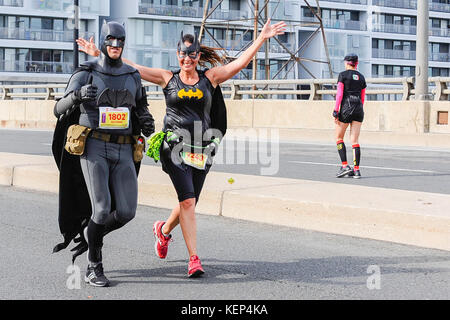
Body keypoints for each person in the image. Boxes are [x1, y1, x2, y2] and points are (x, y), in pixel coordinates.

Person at [77, 19, 286, 278]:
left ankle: (163, 231)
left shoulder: (210, 78)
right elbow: (131, 68)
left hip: (202, 149)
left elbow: (240, 63)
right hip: (174, 148)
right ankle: (194, 259)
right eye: (183, 54)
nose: (187, 59)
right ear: (177, 55)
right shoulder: (167, 78)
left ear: (198, 56)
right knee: (187, 200)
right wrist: (100, 54)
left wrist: (262, 38)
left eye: (192, 54)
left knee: (189, 202)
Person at [52, 21, 155, 287]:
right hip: (94, 146)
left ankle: (90, 234)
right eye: (110, 41)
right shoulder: (85, 72)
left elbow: (141, 106)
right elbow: (58, 108)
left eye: (120, 41)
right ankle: (93, 265)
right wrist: (77, 95)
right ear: (103, 41)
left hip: (123, 147)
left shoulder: (132, 75)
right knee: (101, 209)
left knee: (127, 211)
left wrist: (146, 120)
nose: (115, 46)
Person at [333, 53, 366, 179]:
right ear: (356, 63)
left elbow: (340, 94)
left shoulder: (343, 75)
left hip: (346, 108)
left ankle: (345, 166)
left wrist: (336, 110)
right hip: (359, 109)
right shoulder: (362, 77)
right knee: (355, 141)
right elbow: (362, 97)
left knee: (339, 137)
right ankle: (356, 170)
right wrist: (358, 108)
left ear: (346, 62)